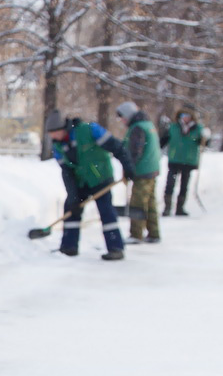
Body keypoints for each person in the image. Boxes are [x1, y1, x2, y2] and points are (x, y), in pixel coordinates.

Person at [44, 109, 135, 260]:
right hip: (81, 181)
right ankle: (69, 247)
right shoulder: (58, 146)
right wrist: (73, 196)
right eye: (50, 134)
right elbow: (66, 172)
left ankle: (115, 248)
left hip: (101, 177)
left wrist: (128, 167)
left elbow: (117, 147)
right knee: (71, 208)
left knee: (106, 210)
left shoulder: (90, 130)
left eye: (53, 132)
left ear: (62, 128)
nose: (52, 137)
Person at [115, 100, 161, 244]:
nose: (121, 121)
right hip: (151, 170)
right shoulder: (148, 124)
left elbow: (135, 152)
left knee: (138, 203)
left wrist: (129, 169)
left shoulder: (138, 128)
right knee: (150, 202)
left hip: (142, 171)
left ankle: (136, 234)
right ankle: (154, 233)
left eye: (121, 117)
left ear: (128, 115)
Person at [161, 105, 211, 216]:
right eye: (183, 115)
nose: (185, 118)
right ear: (180, 116)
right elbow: (162, 141)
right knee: (170, 184)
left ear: (192, 117)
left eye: (188, 116)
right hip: (174, 160)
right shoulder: (173, 127)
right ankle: (167, 208)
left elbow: (204, 144)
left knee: (184, 185)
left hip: (188, 161)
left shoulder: (198, 129)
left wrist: (206, 137)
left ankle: (180, 208)